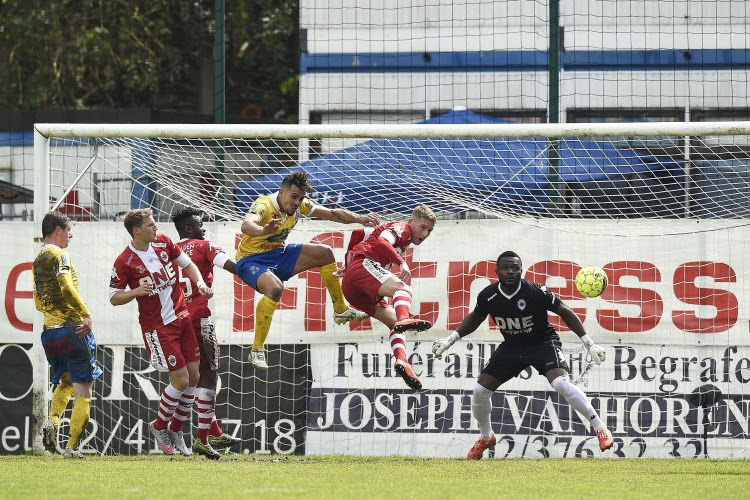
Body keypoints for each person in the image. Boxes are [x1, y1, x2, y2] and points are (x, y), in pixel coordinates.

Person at [431, 251, 614, 460]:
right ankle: (486, 436)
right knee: (480, 391)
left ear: (521, 270)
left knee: (561, 384)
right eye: (505, 268)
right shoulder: (488, 295)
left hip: (542, 343)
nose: (510, 272)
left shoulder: (535, 291)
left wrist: (589, 343)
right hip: (512, 346)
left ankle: (600, 428)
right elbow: (475, 318)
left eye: (515, 268)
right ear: (497, 271)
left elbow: (564, 311)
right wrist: (449, 340)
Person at [236, 171, 380, 369]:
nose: (297, 202)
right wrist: (263, 230)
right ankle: (257, 350)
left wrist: (360, 218)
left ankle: (341, 310)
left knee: (325, 253)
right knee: (275, 288)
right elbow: (246, 224)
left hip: (278, 254)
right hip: (251, 260)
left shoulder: (299, 206)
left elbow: (331, 213)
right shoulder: (263, 204)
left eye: (301, 198)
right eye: (293, 197)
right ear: (281, 192)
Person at [109, 209, 215, 459]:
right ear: (137, 231)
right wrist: (135, 292)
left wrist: (199, 284)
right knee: (179, 380)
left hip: (183, 316)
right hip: (158, 326)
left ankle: (176, 430)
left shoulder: (164, 241)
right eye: (151, 225)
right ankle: (158, 427)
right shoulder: (124, 261)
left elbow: (187, 265)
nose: (156, 228)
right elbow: (114, 297)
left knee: (194, 376)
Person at [340, 204, 437, 391]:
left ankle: (402, 360)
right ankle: (404, 319)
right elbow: (383, 242)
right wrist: (402, 263)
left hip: (354, 288)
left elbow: (358, 234)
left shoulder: (401, 236)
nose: (425, 234)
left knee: (395, 323)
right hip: (363, 268)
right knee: (403, 289)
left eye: (429, 230)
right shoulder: (402, 228)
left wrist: (347, 264)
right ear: (411, 221)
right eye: (423, 227)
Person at [33, 211, 102, 459]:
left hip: (50, 333)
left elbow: (39, 296)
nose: (71, 235)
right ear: (58, 230)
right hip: (73, 329)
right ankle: (72, 448)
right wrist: (85, 313)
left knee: (66, 382)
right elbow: (65, 283)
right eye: (69, 230)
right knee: (84, 390)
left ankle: (52, 422)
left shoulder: (39, 257)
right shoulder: (61, 254)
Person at [172, 207, 239, 459]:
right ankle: (202, 438)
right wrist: (251, 272)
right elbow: (226, 263)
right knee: (209, 376)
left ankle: (214, 431)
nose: (204, 228)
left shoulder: (171, 252)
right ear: (190, 228)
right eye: (200, 225)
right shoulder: (204, 246)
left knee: (193, 377)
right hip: (200, 319)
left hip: (177, 321)